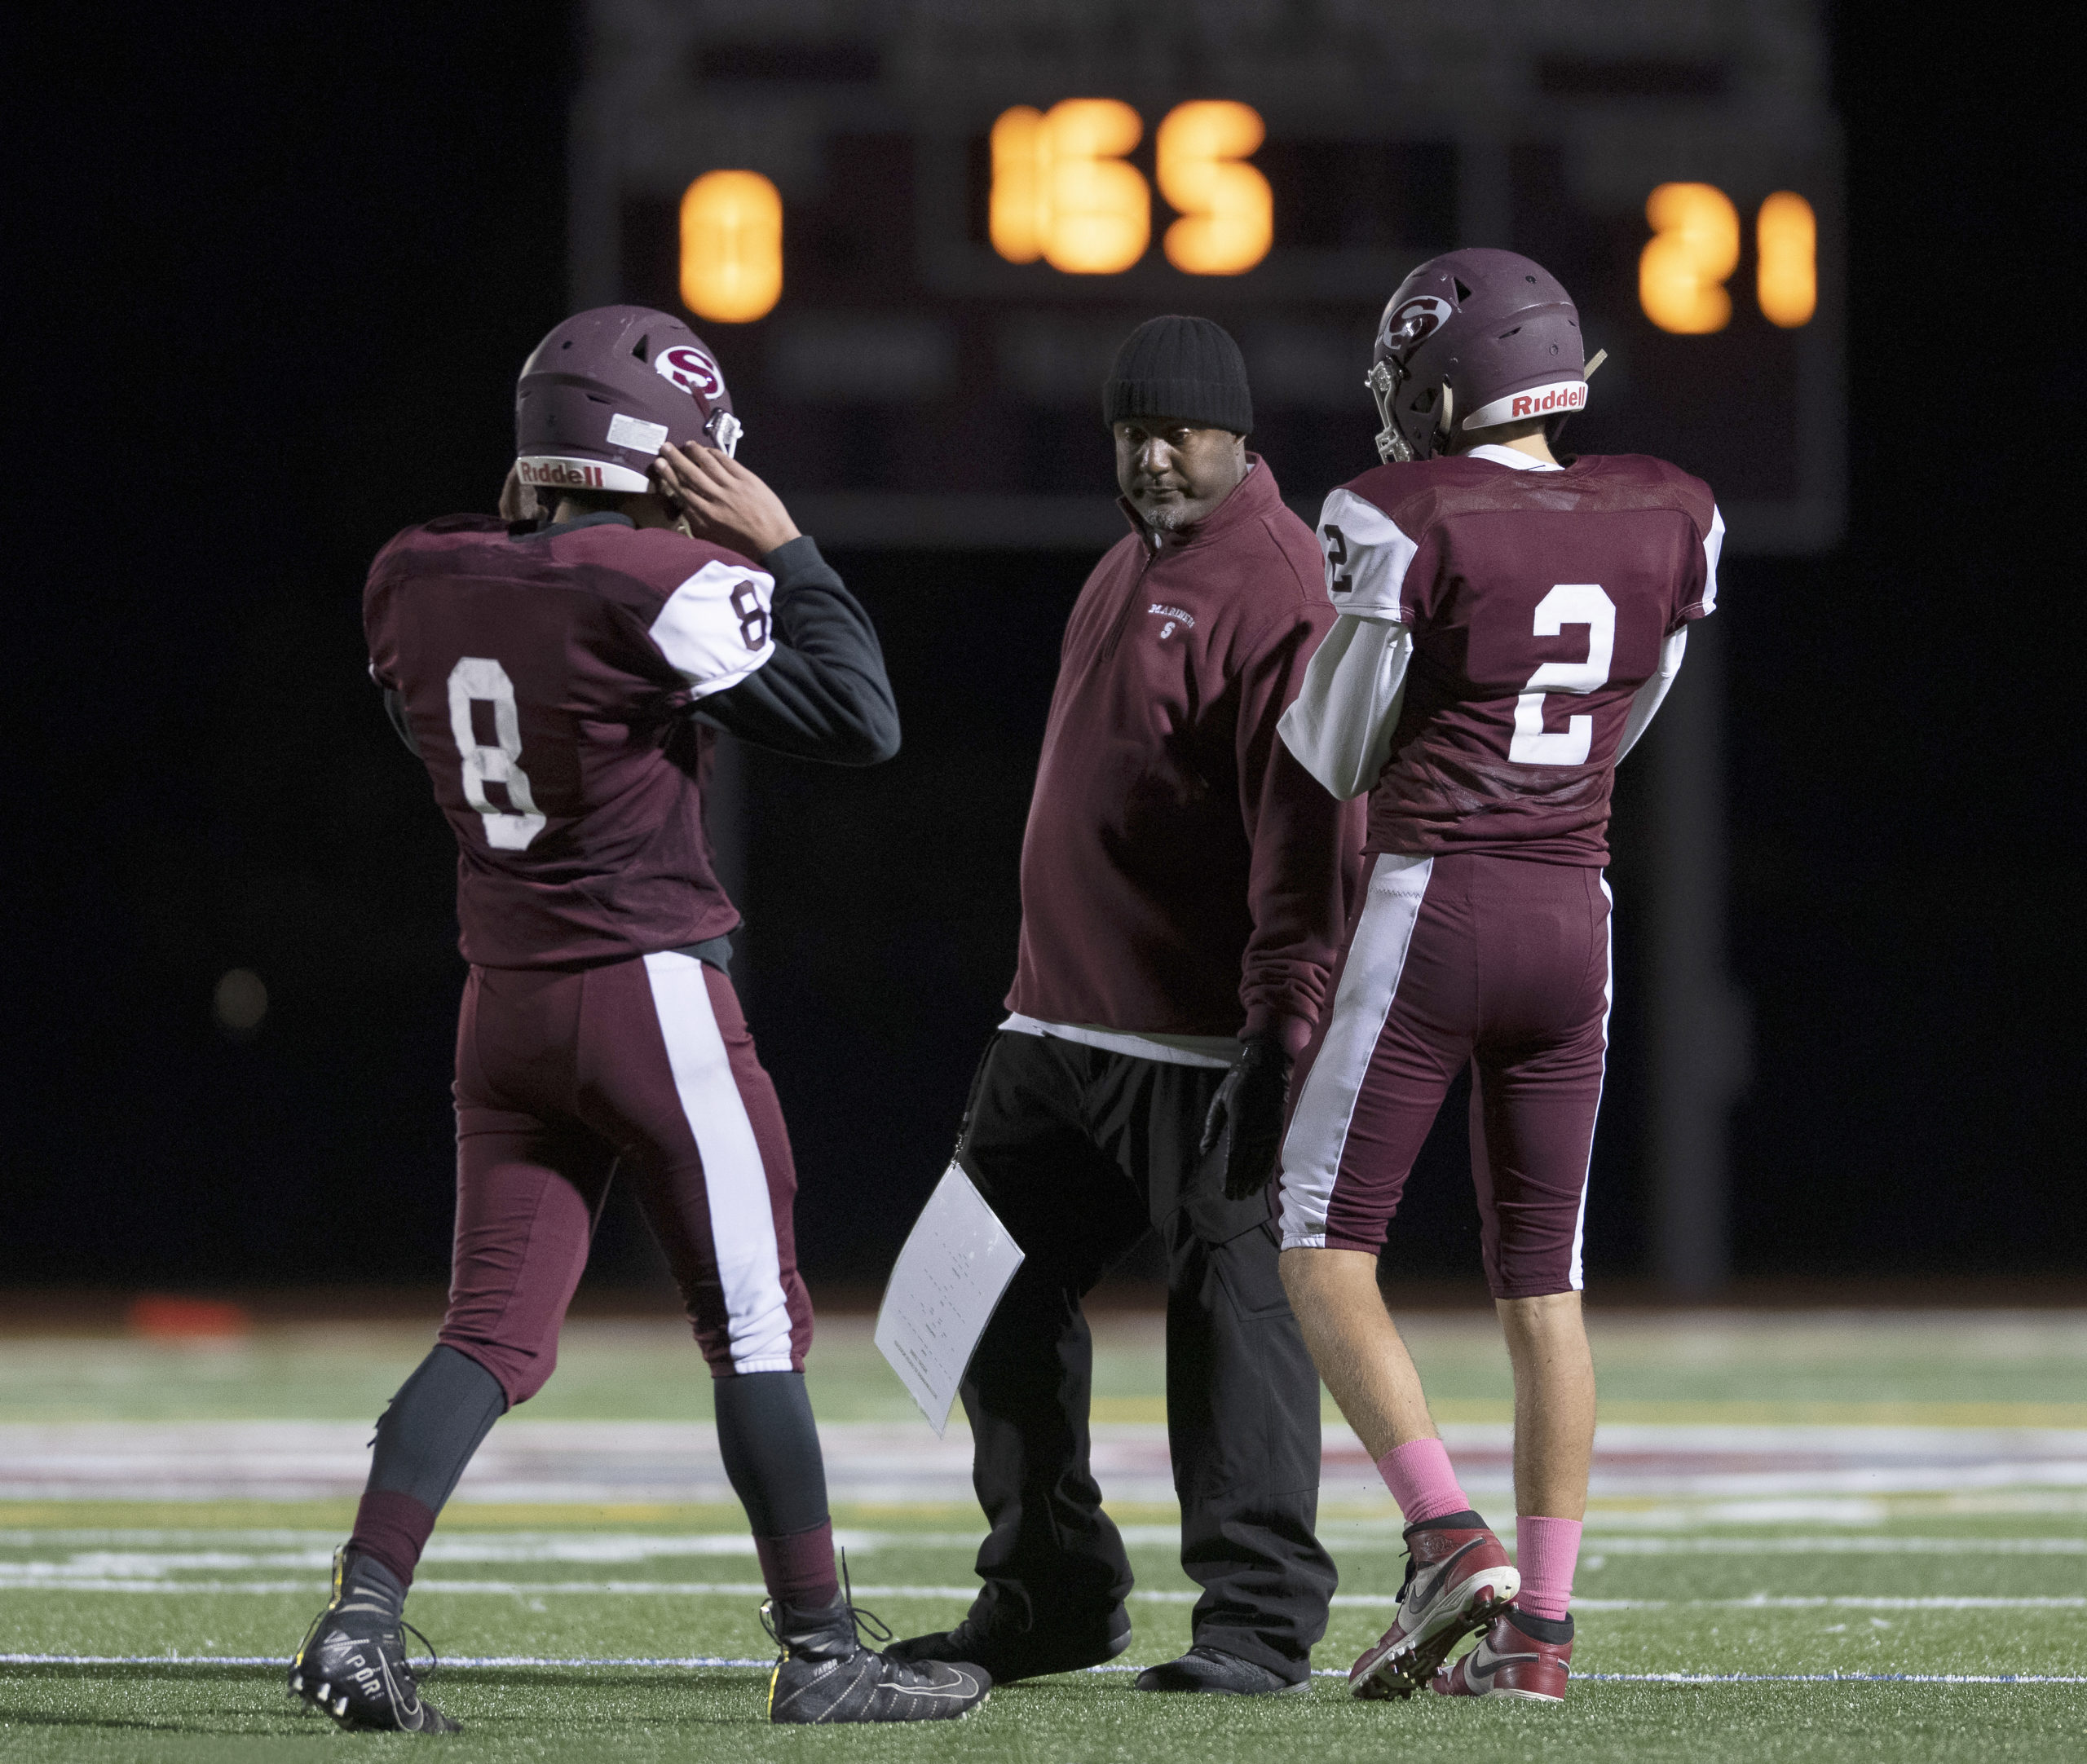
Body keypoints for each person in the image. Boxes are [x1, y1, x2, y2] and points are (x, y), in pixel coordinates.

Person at [287, 304, 989, 1731]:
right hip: (651, 989)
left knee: (488, 1331)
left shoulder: (412, 573)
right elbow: (861, 717)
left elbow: (452, 711)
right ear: (663, 456)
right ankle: (820, 1651)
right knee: (753, 1323)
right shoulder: (658, 580)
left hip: (505, 998)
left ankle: (360, 1618)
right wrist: (783, 545)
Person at [1273, 249, 1723, 1703]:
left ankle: (1443, 1531)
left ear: (1440, 384)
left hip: (1439, 902)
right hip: (1576, 913)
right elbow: (1625, 715)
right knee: (1548, 1283)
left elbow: (1335, 758)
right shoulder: (1670, 512)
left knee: (1320, 1242)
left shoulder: (1403, 512)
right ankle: (1543, 1633)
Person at [888, 317, 1361, 1696]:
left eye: (1180, 432)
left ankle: (1259, 1625)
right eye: (1132, 432)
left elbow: (1310, 835)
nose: (1154, 455)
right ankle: (1052, 1592)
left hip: (1200, 1036)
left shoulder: (1282, 585)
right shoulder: (1122, 565)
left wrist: (1282, 1029)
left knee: (1234, 1321)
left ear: (1238, 435)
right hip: (1055, 1030)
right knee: (973, 1295)